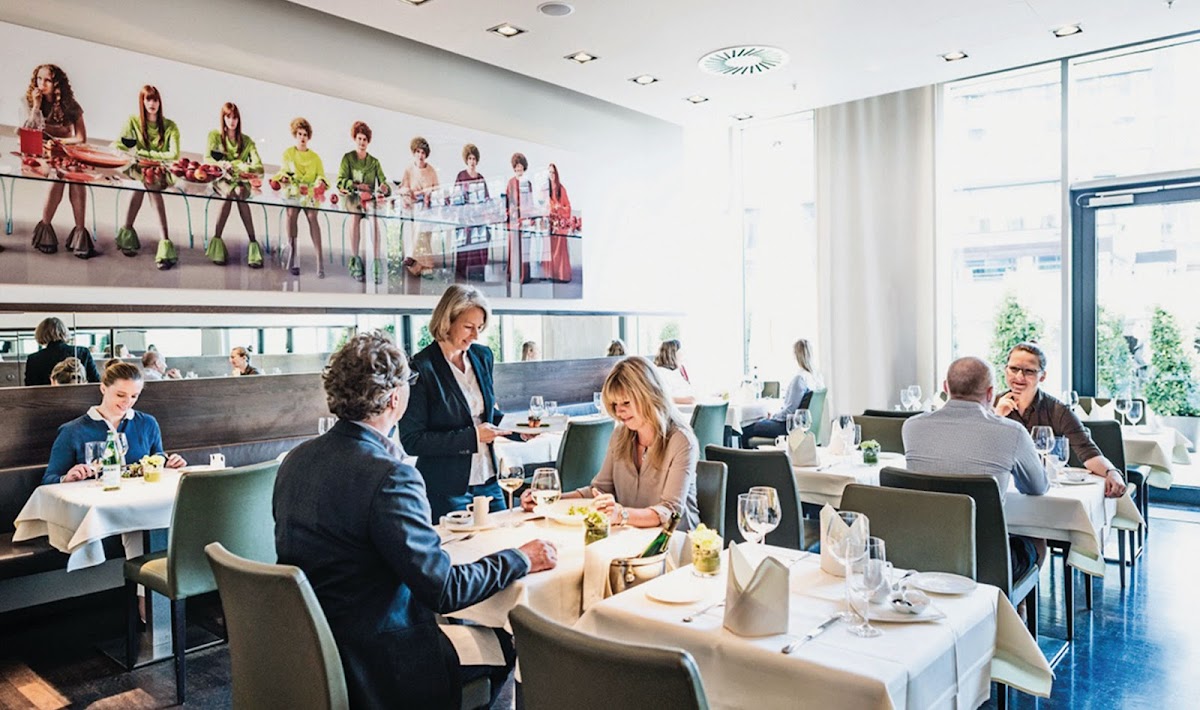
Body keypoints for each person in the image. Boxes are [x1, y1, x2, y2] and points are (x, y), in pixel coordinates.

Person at [275, 332, 557, 708]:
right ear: (396, 398)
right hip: (380, 663)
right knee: (510, 640)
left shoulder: (295, 460)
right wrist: (520, 557)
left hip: (306, 649)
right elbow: (444, 590)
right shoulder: (390, 475)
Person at [902, 356, 1049, 579]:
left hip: (922, 554)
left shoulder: (911, 427)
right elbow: (1037, 487)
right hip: (986, 562)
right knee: (1036, 538)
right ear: (990, 394)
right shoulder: (1013, 432)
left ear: (945, 388)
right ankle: (1008, 599)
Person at [522, 356, 700, 531]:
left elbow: (670, 511)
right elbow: (599, 489)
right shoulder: (621, 435)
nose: (619, 411)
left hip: (675, 539)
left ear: (650, 396)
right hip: (631, 534)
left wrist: (621, 515)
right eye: (614, 404)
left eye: (626, 403)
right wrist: (550, 502)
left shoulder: (681, 441)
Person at [399, 285, 513, 521]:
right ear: (447, 322)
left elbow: (484, 414)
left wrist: (518, 431)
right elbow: (412, 440)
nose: (475, 336)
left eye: (480, 327)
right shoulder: (420, 368)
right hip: (447, 489)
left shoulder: (482, 356)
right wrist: (473, 437)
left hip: (490, 480)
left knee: (504, 538)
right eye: (468, 327)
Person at [994, 342, 1127, 498]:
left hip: (1046, 491)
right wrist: (997, 416)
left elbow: (1087, 451)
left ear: (1042, 376)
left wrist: (1112, 472)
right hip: (1002, 487)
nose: (1019, 377)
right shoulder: (991, 404)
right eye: (1013, 369)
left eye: (1029, 371)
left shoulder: (1058, 411)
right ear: (1005, 369)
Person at [44, 362, 186, 484]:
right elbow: (49, 479)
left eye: (134, 396)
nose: (127, 402)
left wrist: (169, 463)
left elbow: (158, 457)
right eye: (120, 395)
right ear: (103, 388)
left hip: (141, 499)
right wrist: (66, 478)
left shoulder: (147, 423)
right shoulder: (72, 431)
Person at [26, 64, 92, 258]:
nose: (42, 83)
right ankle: (45, 228)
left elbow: (81, 137)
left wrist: (59, 140)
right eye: (39, 79)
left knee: (77, 178)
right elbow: (30, 131)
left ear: (56, 83)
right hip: (39, 151)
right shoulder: (30, 99)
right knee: (56, 177)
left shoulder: (70, 105)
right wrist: (36, 106)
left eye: (47, 80)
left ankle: (80, 233)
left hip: (64, 150)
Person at [115, 85, 181, 269]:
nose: (152, 103)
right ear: (142, 102)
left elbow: (173, 155)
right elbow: (119, 144)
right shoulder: (133, 121)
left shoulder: (170, 126)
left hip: (161, 171)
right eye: (148, 99)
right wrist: (120, 151)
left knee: (149, 183)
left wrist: (144, 154)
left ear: (160, 102)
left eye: (155, 100)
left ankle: (155, 239)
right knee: (142, 183)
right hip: (139, 169)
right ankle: (162, 240)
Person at [205, 102, 264, 268]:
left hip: (239, 180)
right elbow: (208, 159)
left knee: (239, 192)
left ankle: (253, 243)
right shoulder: (215, 136)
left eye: (235, 117)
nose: (232, 121)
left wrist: (239, 165)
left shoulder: (247, 141)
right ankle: (217, 240)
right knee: (230, 193)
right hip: (221, 178)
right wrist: (222, 164)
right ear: (223, 118)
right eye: (228, 117)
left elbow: (259, 167)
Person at [739, 338, 820, 447]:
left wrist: (773, 416)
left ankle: (745, 458)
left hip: (786, 426)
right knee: (758, 422)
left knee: (744, 429)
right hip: (798, 426)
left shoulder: (799, 379)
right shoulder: (814, 379)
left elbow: (789, 412)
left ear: (796, 355)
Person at [275, 117, 328, 277]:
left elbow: (321, 175)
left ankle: (320, 261)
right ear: (295, 135)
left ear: (308, 136)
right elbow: (283, 171)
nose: (302, 138)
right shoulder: (288, 154)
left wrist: (320, 182)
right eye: (299, 134)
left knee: (312, 216)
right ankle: (293, 257)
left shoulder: (315, 157)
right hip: (293, 191)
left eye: (305, 134)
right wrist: (284, 178)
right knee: (291, 213)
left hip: (310, 192)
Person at [337, 120, 389, 284]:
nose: (362, 142)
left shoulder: (374, 162)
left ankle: (376, 261)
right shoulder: (348, 158)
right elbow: (340, 181)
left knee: (374, 219)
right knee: (355, 217)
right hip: (353, 198)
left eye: (364, 139)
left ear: (368, 141)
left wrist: (384, 188)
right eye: (359, 138)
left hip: (369, 200)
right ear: (355, 138)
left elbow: (383, 182)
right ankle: (355, 259)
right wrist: (357, 186)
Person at [399, 136, 439, 276]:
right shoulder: (409, 170)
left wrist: (429, 193)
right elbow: (403, 188)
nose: (420, 155)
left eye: (423, 152)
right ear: (414, 152)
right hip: (413, 206)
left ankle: (412, 256)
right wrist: (408, 193)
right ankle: (425, 266)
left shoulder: (431, 171)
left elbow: (437, 190)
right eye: (418, 152)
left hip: (427, 207)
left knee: (422, 223)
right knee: (417, 222)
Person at [25, 317, 100, 386]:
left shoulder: (33, 359)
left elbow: (30, 388)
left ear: (40, 334)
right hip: (80, 395)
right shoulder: (83, 352)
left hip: (45, 396)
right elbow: (95, 382)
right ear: (64, 332)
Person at [453, 143, 490, 281]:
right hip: (465, 216)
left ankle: (477, 272)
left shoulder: (480, 178)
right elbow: (456, 196)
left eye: (474, 159)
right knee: (466, 237)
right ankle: (463, 272)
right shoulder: (461, 175)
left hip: (478, 216)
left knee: (483, 236)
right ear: (466, 160)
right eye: (469, 158)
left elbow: (486, 198)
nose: (472, 161)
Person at [505, 152, 532, 286]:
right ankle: (514, 274)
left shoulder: (527, 183)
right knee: (514, 247)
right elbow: (507, 201)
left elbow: (530, 202)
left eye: (521, 166)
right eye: (517, 166)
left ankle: (524, 275)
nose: (519, 168)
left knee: (525, 247)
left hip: (525, 220)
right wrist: (512, 212)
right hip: (514, 220)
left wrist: (527, 215)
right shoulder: (510, 182)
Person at [545, 163, 573, 282]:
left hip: (559, 223)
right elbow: (542, 206)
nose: (551, 174)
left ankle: (561, 275)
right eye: (549, 172)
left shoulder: (561, 189)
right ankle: (550, 274)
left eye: (553, 172)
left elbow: (568, 207)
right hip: (549, 223)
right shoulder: (545, 189)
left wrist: (559, 208)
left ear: (556, 174)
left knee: (560, 242)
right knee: (547, 245)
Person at [654, 339, 695, 405]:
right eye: (680, 350)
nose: (683, 354)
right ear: (672, 353)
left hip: (688, 405)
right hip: (677, 407)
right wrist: (686, 400)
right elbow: (660, 397)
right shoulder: (660, 372)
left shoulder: (677, 371)